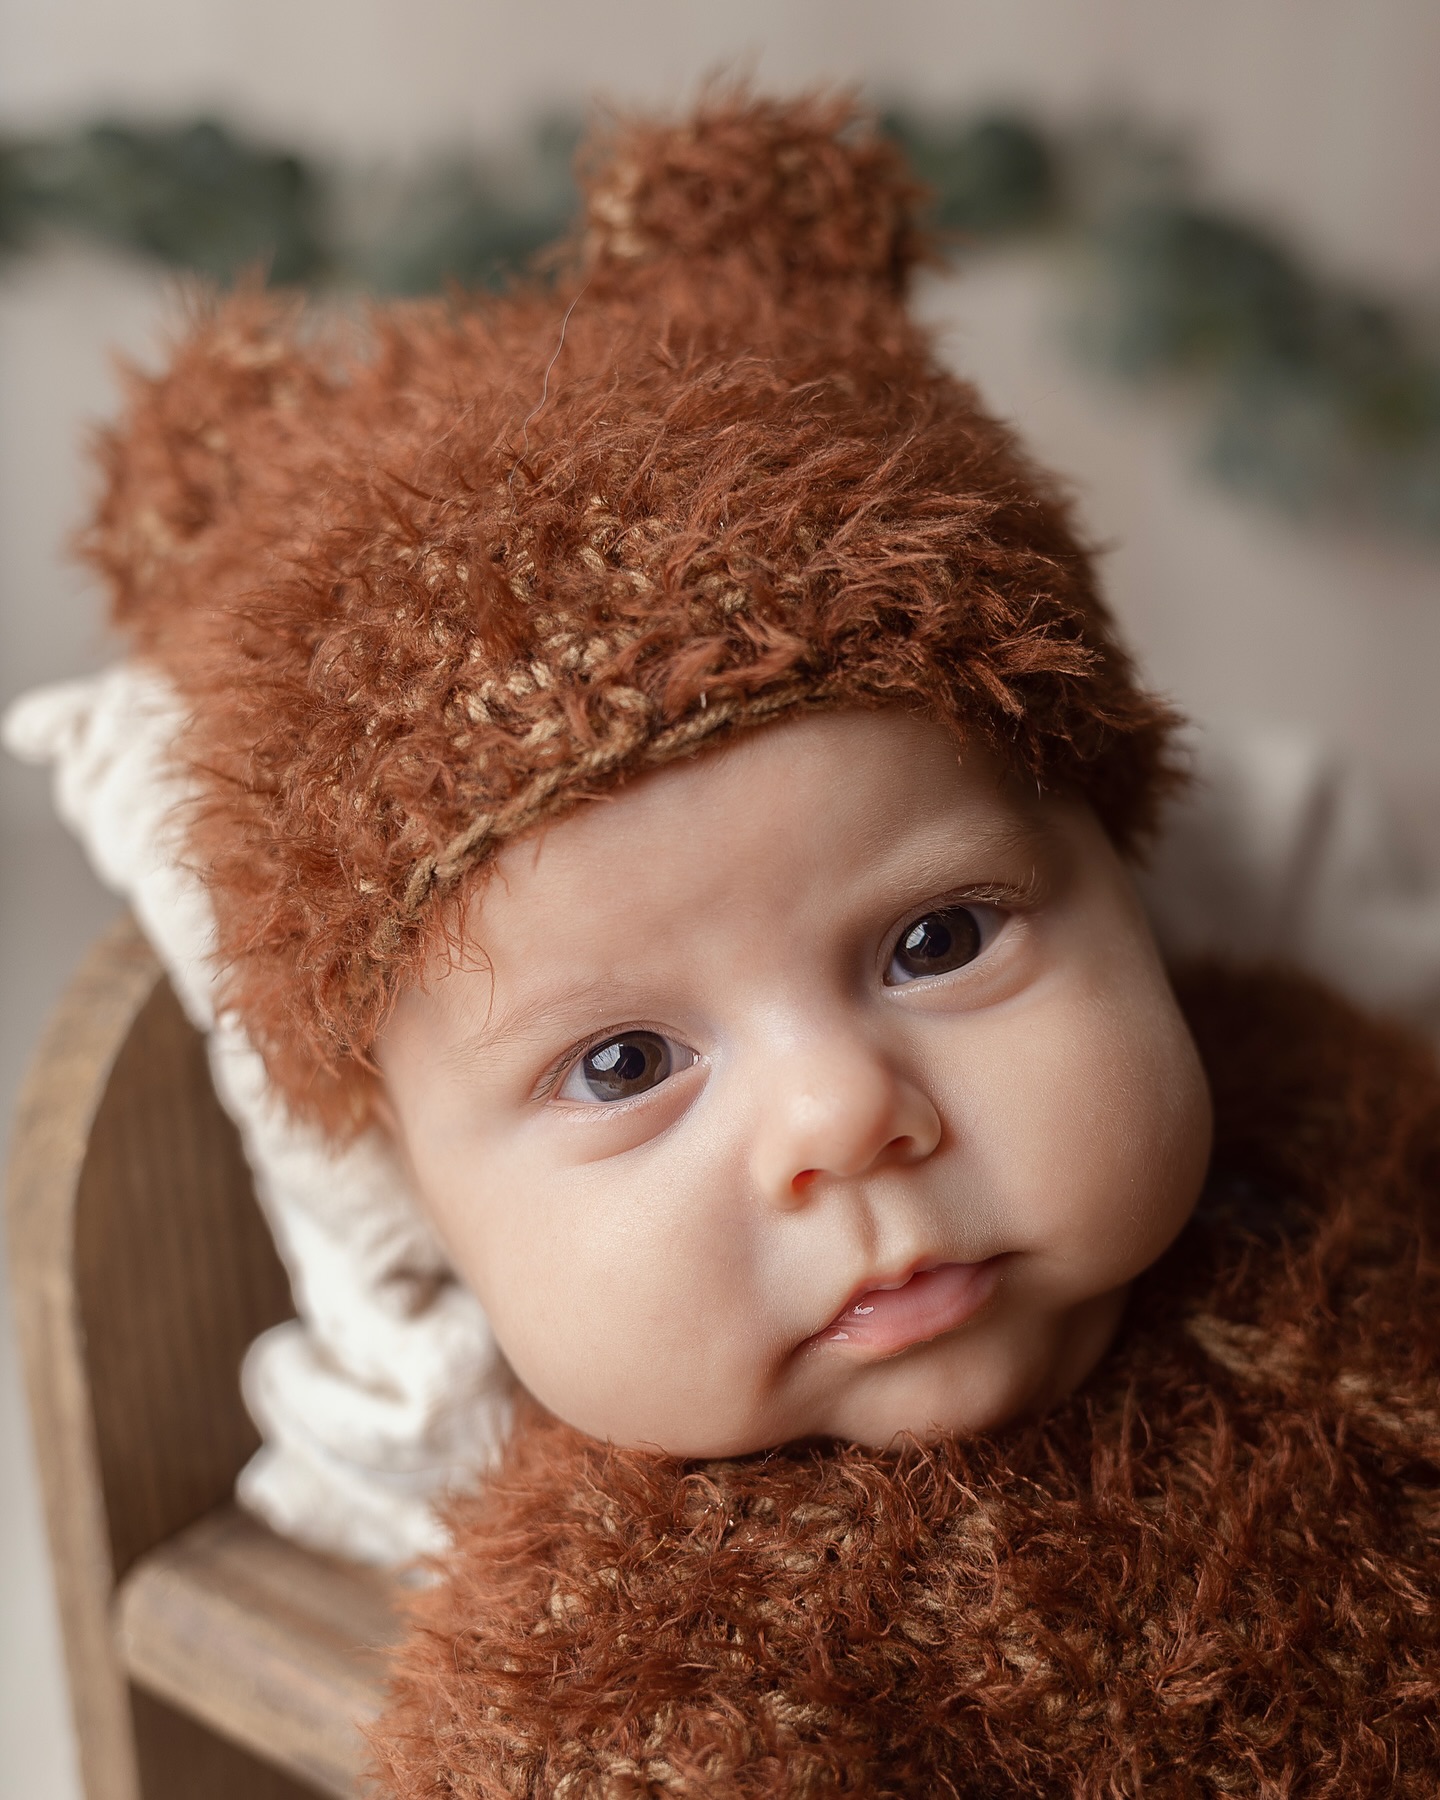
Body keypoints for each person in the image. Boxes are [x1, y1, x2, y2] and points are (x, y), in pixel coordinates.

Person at [74, 89, 1440, 1793]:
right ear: (427, 1197)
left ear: (1123, 871)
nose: (842, 1121)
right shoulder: (626, 1667)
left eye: (939, 939)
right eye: (626, 1063)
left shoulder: (1346, 1133)